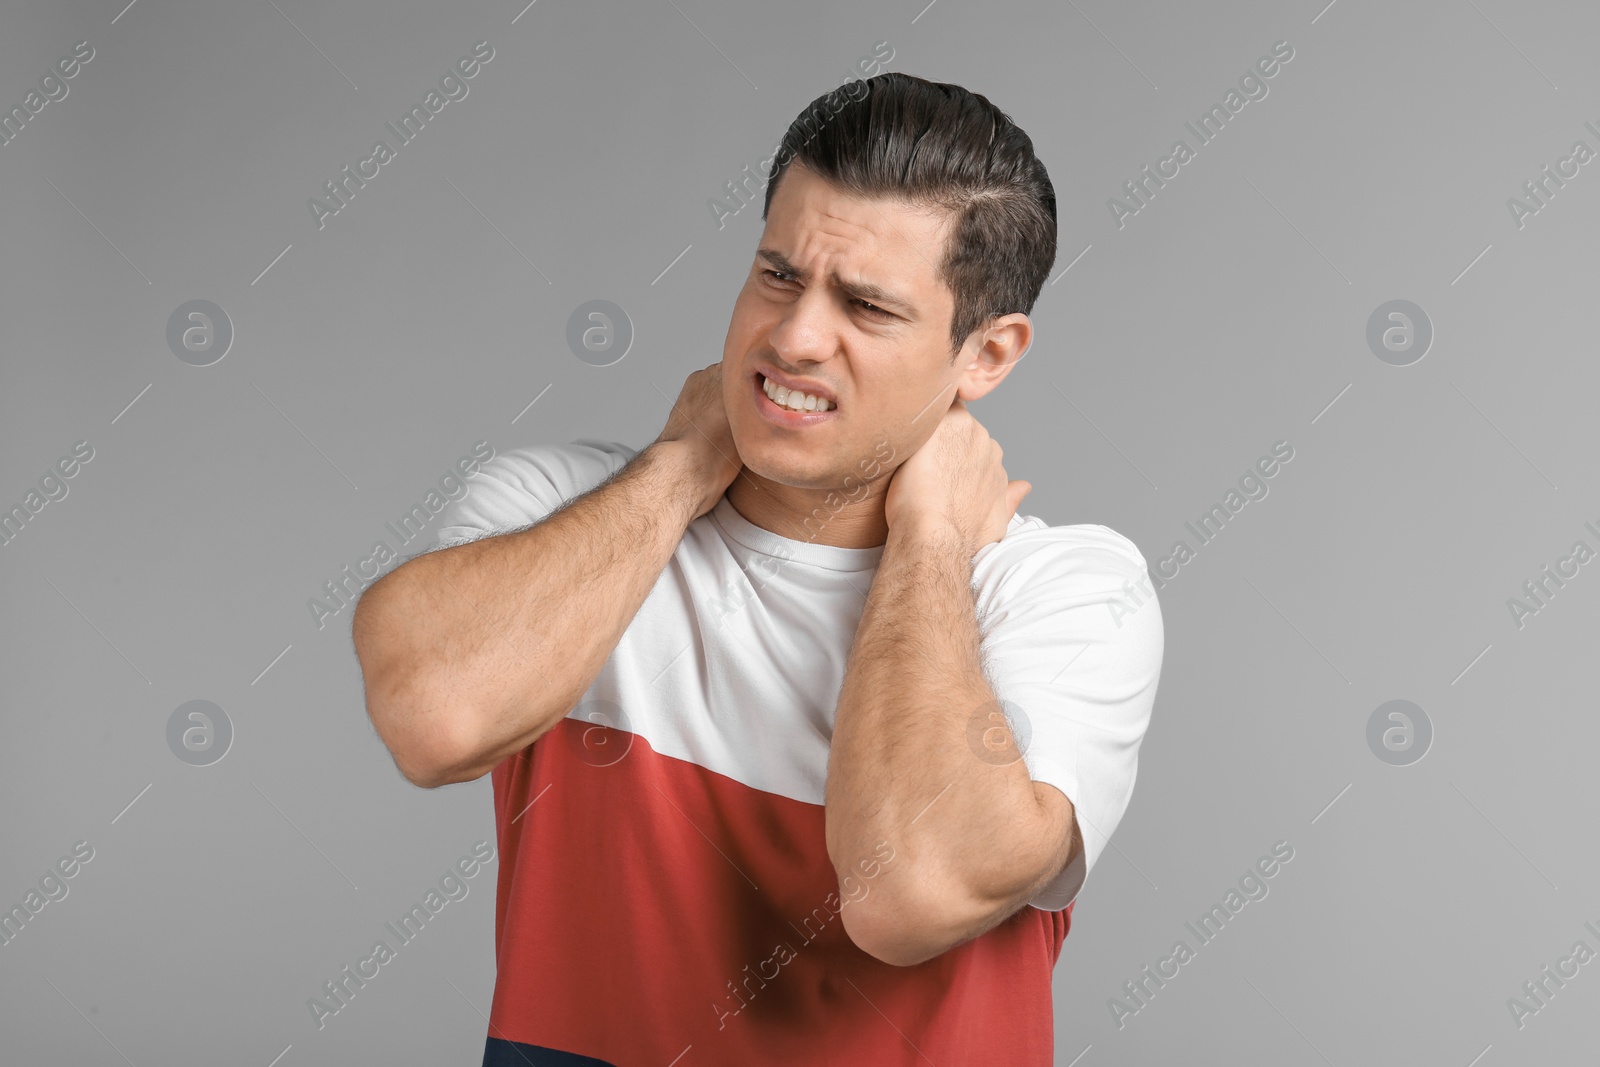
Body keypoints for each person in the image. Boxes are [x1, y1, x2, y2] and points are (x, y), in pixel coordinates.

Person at [353, 70, 1164, 1067]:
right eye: (778, 275)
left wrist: (929, 539)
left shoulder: (1062, 594)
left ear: (985, 356)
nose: (793, 335)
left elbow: (906, 892)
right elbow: (436, 720)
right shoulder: (559, 504)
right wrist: (678, 466)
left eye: (865, 306)